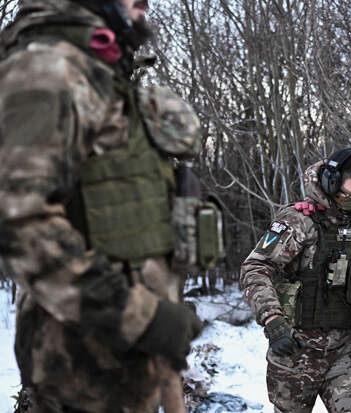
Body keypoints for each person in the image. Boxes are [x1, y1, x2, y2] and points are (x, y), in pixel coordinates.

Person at [0, 1, 205, 412]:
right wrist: (143, 318)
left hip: (126, 368)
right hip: (84, 373)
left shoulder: (98, 70)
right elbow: (21, 223)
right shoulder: (47, 67)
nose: (145, 3)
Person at [240, 148, 351, 413]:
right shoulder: (298, 221)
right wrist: (273, 321)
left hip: (343, 350)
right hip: (296, 351)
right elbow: (255, 267)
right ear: (333, 183)